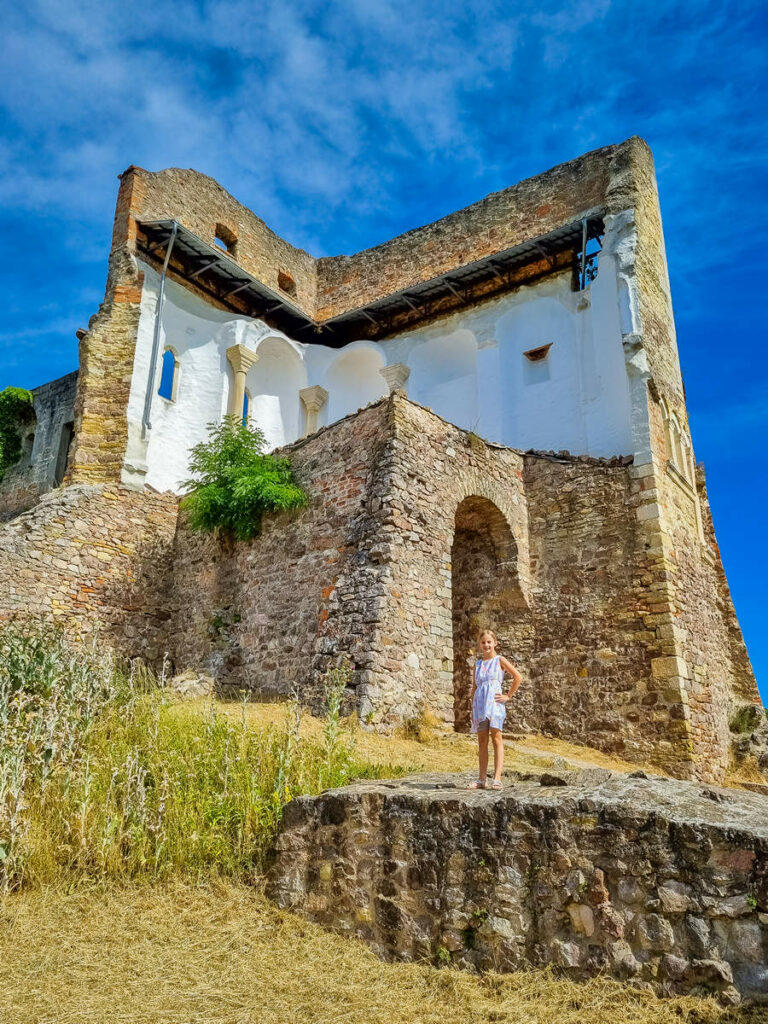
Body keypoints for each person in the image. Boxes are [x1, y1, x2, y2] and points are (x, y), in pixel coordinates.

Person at [466, 629, 522, 790]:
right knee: (482, 741)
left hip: (495, 704)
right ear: (479, 644)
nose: (486, 645)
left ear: (495, 643)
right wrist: (472, 707)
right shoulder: (477, 664)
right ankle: (481, 779)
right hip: (480, 705)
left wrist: (508, 696)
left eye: (489, 642)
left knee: (496, 737)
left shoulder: (499, 660)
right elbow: (475, 687)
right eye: (483, 642)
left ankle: (497, 778)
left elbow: (517, 677)